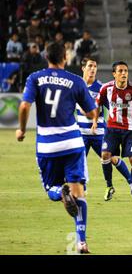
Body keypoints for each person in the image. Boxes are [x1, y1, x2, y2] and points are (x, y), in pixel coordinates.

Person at [15, 42, 97, 253]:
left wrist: (22, 130)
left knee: (50, 188)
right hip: (72, 142)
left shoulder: (35, 78)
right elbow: (91, 113)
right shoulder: (76, 81)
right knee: (79, 193)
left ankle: (60, 192)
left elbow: (25, 106)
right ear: (65, 57)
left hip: (47, 145)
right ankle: (81, 242)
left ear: (46, 57)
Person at [92, 61, 132, 202]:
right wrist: (95, 122)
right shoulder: (106, 88)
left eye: (126, 71)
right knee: (105, 155)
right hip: (112, 129)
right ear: (114, 74)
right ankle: (109, 186)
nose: (124, 74)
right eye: (120, 71)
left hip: (130, 130)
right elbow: (97, 105)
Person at [76, 58, 132, 200]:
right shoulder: (76, 86)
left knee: (112, 158)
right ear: (83, 68)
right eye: (90, 66)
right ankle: (83, 188)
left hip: (99, 132)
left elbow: (111, 106)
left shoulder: (101, 88)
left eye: (95, 66)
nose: (92, 69)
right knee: (77, 160)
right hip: (81, 132)